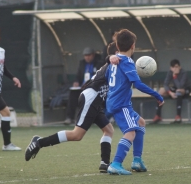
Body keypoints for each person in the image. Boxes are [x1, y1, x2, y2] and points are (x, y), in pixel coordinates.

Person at [24, 42, 120, 173]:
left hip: (95, 100)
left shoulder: (115, 65)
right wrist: (111, 58)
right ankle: (39, 142)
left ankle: (104, 163)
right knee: (76, 135)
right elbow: (107, 59)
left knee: (109, 130)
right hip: (91, 98)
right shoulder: (111, 64)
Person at [106, 29, 164, 175]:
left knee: (140, 123)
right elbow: (137, 84)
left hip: (117, 101)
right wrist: (156, 94)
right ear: (133, 46)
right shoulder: (127, 62)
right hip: (121, 104)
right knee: (130, 133)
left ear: (117, 46)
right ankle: (116, 163)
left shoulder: (114, 61)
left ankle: (137, 160)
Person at [64, 47, 104, 124]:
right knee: (73, 95)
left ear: (93, 55)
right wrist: (76, 82)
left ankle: (90, 118)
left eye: (89, 55)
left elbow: (99, 77)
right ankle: (69, 117)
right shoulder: (82, 64)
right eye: (85, 55)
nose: (87, 57)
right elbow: (78, 76)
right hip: (82, 88)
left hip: (93, 88)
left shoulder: (99, 63)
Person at [152, 59, 191, 124]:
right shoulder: (170, 72)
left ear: (179, 67)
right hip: (175, 89)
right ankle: (158, 115)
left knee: (179, 91)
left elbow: (180, 86)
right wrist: (170, 92)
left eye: (176, 67)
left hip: (185, 89)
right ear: (171, 68)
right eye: (173, 67)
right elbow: (165, 84)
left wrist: (175, 77)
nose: (175, 69)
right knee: (161, 92)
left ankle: (178, 116)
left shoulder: (183, 73)